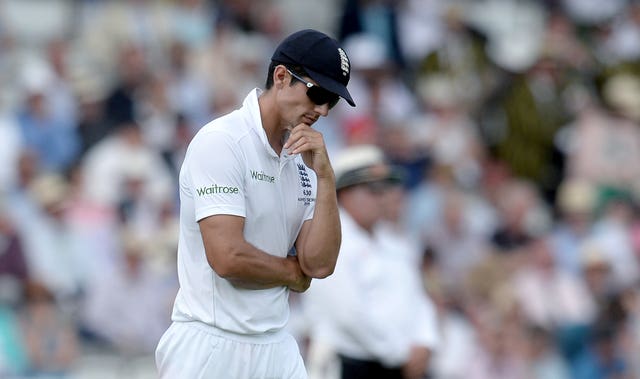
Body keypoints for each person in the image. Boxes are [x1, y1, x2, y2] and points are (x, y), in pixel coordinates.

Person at [155, 29, 355, 378]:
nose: (322, 110)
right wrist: (292, 273)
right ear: (281, 77)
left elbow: (320, 265)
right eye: (318, 93)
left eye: (332, 101)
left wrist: (326, 179)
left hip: (276, 344)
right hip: (210, 343)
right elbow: (228, 257)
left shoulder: (306, 160)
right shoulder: (222, 142)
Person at [302, 144, 439, 379]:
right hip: (349, 365)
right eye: (373, 190)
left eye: (385, 189)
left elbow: (418, 298)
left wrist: (425, 341)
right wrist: (402, 352)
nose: (383, 197)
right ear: (345, 193)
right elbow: (348, 314)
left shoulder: (395, 242)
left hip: (398, 365)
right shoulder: (327, 242)